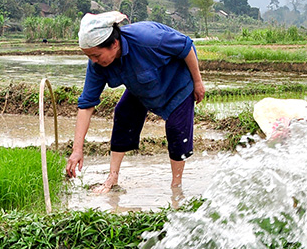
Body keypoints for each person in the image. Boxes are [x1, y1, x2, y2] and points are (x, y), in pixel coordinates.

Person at [65, 12, 206, 197]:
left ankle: (176, 187)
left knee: (176, 130)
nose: (93, 61)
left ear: (114, 44)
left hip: (177, 83)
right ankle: (112, 177)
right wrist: (77, 151)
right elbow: (86, 105)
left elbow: (186, 46)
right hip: (142, 84)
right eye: (89, 56)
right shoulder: (97, 66)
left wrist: (197, 82)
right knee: (124, 114)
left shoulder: (148, 39)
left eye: (96, 55)